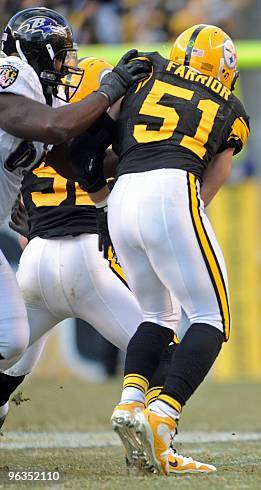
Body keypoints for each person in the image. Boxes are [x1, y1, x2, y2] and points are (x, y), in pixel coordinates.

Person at [0, 56, 211, 473]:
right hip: (86, 259)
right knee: (159, 349)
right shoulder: (69, 123)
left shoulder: (41, 125)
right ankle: (152, 445)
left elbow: (31, 191)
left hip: (36, 258)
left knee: (12, 360)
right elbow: (96, 159)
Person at [104, 24, 249, 475]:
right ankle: (162, 419)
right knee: (211, 317)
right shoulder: (230, 105)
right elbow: (214, 180)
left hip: (121, 193)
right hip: (172, 189)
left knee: (156, 315)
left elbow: (107, 126)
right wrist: (182, 220)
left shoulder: (145, 74)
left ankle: (130, 403)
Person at [0, 7, 149, 372]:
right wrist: (108, 90)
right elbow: (55, 128)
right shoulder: (12, 73)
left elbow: (76, 163)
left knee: (11, 340)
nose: (69, 65)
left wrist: (145, 151)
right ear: (37, 53)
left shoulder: (46, 100)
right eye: (64, 56)